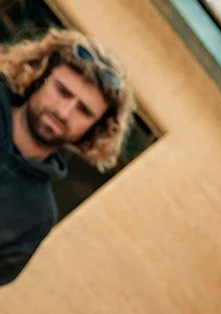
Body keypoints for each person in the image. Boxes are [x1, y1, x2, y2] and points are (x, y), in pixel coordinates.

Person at [0, 28, 136, 285]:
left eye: (83, 110)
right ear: (39, 76)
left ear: (94, 130)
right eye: (62, 91)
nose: (63, 112)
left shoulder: (36, 215)